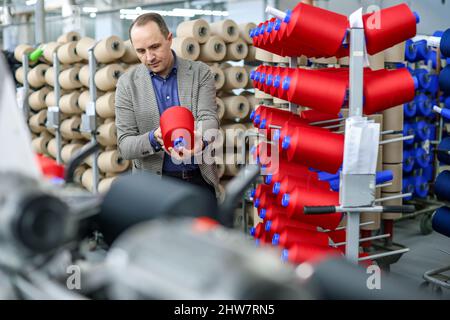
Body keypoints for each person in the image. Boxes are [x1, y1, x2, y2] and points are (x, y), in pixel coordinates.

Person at [115, 13, 219, 196]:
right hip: (152, 186)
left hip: (198, 179)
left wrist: (200, 140)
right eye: (141, 51)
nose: (149, 57)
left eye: (155, 47)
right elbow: (125, 145)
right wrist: (154, 139)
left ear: (169, 39)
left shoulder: (199, 73)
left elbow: (208, 118)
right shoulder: (127, 84)